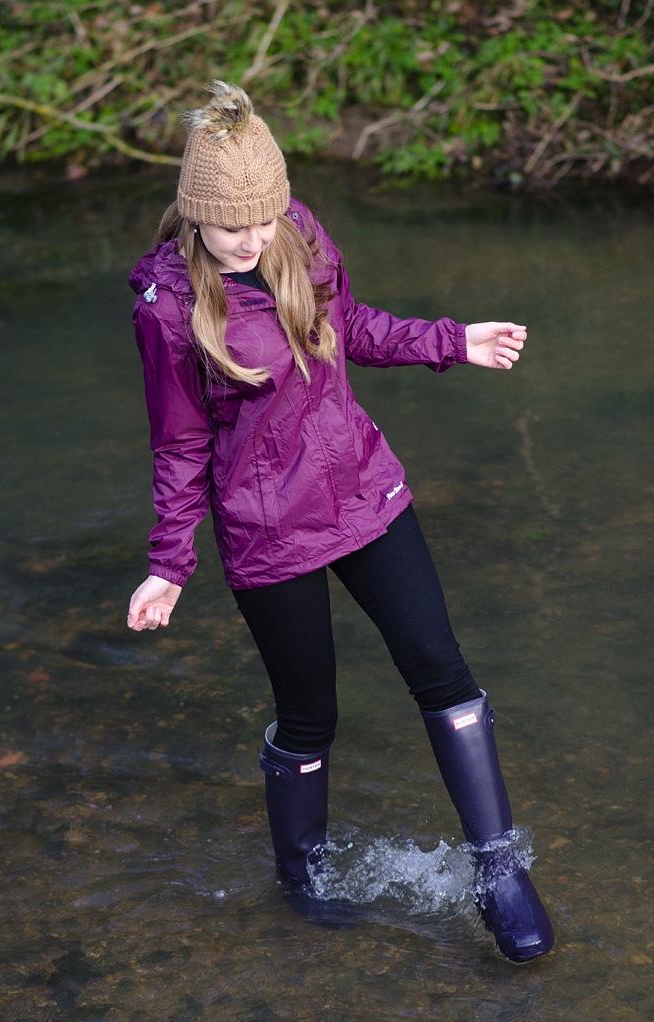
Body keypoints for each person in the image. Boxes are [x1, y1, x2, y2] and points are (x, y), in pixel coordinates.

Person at [126, 80, 554, 963]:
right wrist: (170, 561)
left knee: (440, 669)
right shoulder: (168, 308)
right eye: (232, 227)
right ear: (195, 215)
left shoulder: (301, 234)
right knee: (310, 714)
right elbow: (177, 444)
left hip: (363, 488)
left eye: (264, 221)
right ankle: (303, 879)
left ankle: (499, 872)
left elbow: (345, 326)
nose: (252, 240)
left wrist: (451, 341)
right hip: (265, 527)